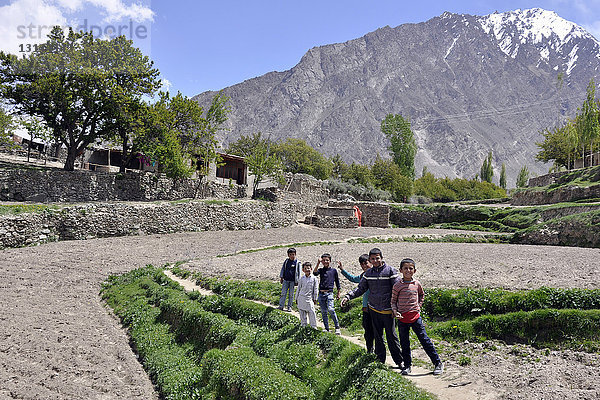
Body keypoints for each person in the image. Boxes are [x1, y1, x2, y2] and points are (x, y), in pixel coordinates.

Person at [341, 248, 403, 368]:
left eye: (377, 258)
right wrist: (348, 296)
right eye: (372, 258)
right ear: (370, 259)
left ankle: (399, 361)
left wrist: (399, 307)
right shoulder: (368, 274)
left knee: (391, 336)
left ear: (381, 258)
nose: (375, 260)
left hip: (388, 310)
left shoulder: (390, 271)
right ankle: (380, 361)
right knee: (378, 337)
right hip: (374, 310)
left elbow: (397, 288)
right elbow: (360, 289)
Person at [391, 258, 443, 376]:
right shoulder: (397, 285)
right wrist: (395, 311)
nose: (408, 270)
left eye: (411, 268)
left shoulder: (417, 284)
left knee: (424, 340)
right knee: (404, 343)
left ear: (414, 270)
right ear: (400, 270)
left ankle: (437, 363)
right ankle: (407, 366)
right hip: (402, 319)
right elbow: (393, 301)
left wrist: (418, 306)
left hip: (415, 318)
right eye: (405, 268)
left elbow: (421, 295)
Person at [339, 254, 374, 353]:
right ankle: (369, 351)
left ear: (370, 262)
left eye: (366, 263)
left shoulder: (376, 275)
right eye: (362, 264)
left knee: (377, 331)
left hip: (376, 307)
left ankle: (379, 353)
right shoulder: (363, 276)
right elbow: (353, 279)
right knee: (367, 331)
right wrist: (342, 270)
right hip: (366, 308)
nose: (364, 266)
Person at [313, 253, 341, 335]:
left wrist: (338, 293)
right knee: (323, 311)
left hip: (329, 293)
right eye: (324, 260)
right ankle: (326, 328)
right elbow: (314, 273)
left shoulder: (333, 271)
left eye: (327, 260)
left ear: (330, 261)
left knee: (331, 309)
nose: (325, 262)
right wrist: (318, 263)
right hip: (321, 294)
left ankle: (337, 327)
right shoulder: (321, 270)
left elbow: (337, 282)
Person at [295, 261, 319, 328]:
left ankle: (313, 327)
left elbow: (315, 289)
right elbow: (298, 289)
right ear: (303, 270)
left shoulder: (314, 279)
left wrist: (315, 298)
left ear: (311, 269)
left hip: (309, 299)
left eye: (308, 268)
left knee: (312, 312)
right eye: (305, 268)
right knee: (302, 313)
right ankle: (304, 326)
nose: (307, 270)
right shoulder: (302, 279)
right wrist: (296, 298)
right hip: (301, 298)